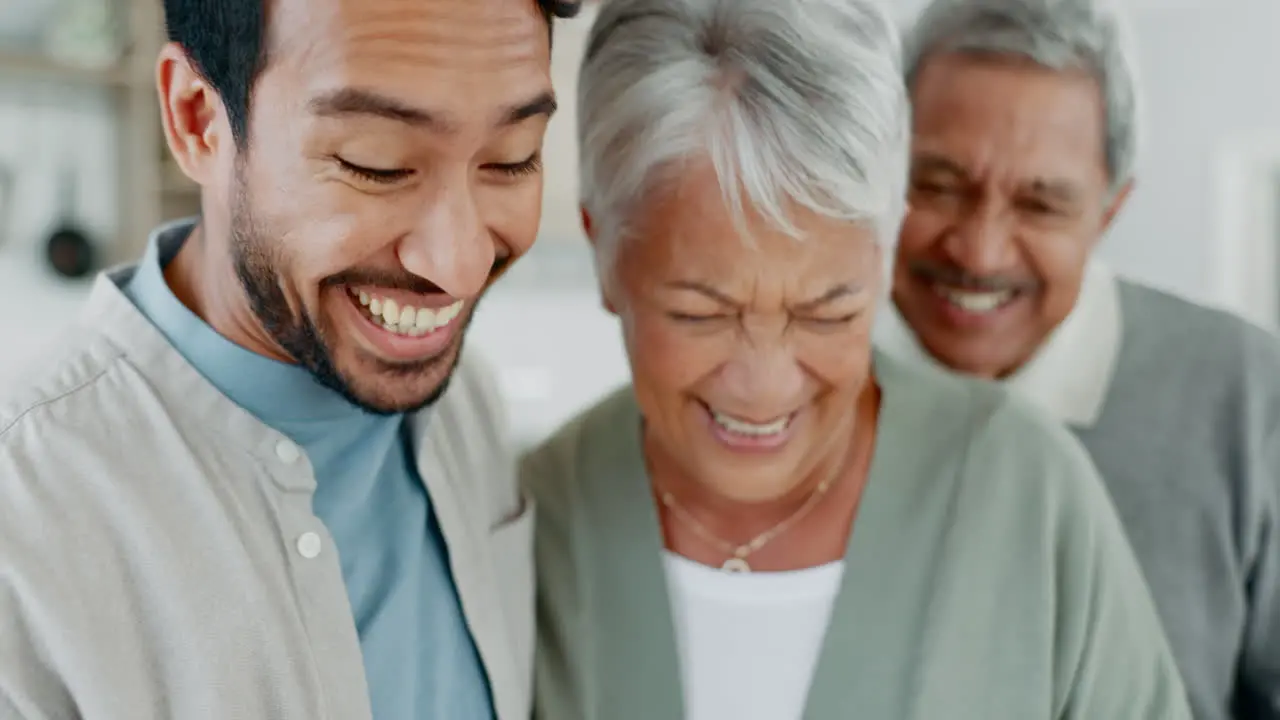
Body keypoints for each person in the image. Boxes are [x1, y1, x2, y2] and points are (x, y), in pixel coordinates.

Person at [521, 0, 1192, 717]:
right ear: (603, 252)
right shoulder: (540, 511)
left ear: (885, 253)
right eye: (701, 313)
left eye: (827, 312)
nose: (763, 384)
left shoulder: (1024, 490)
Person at [0, 0, 580, 717]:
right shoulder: (23, 528)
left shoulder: (466, 404)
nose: (460, 266)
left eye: (512, 158)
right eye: (378, 164)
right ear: (197, 119)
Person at [874, 1, 1280, 717]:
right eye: (937, 185)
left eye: (1041, 205)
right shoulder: (785, 385)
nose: (980, 251)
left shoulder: (1245, 395)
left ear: (1110, 210)